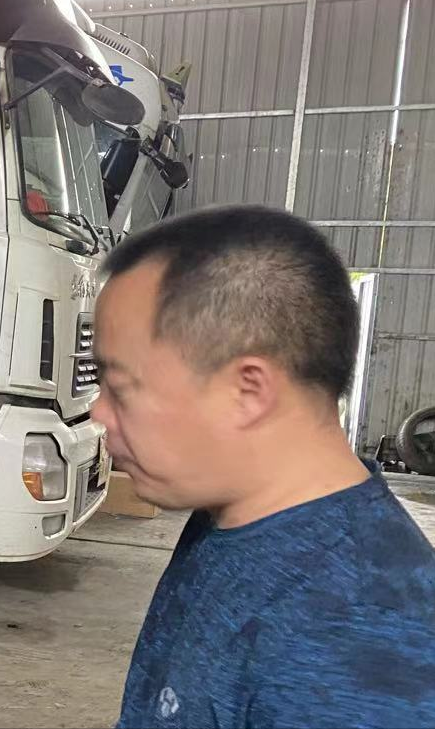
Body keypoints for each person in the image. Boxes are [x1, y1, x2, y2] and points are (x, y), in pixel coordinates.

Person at [91, 205, 435, 729]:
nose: (98, 413)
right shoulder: (232, 517)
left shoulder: (359, 648)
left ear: (247, 391)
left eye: (119, 387)